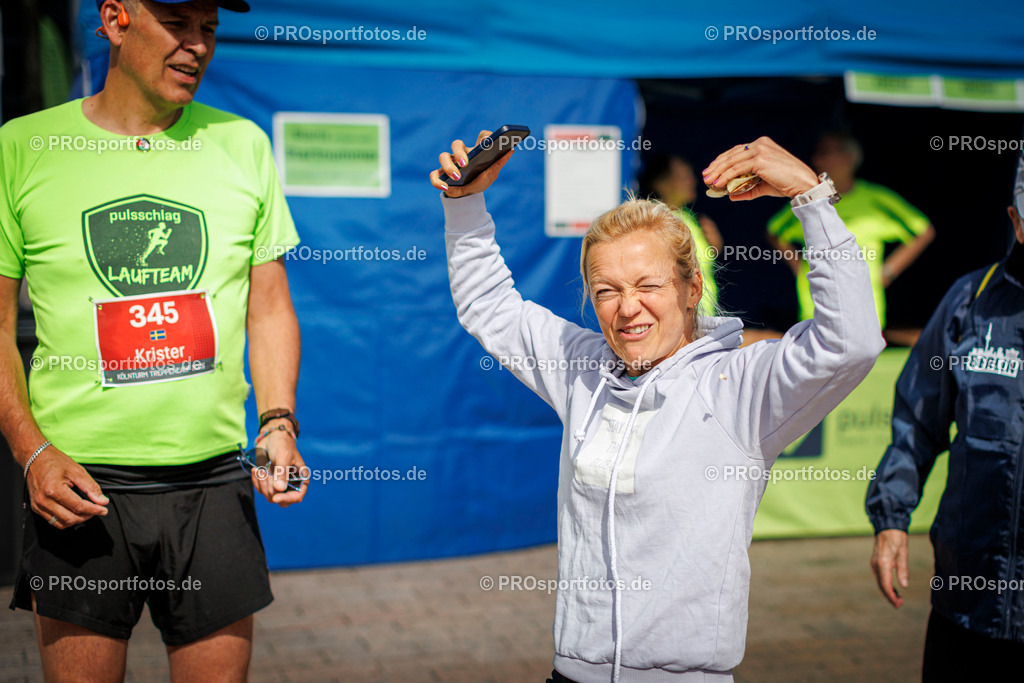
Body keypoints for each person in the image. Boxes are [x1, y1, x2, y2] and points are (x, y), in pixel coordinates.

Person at [431, 133, 884, 682]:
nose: (627, 309)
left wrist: (811, 197)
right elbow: (490, 305)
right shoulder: (583, 369)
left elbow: (851, 342)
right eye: (606, 291)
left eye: (649, 285)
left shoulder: (736, 386)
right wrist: (465, 203)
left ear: (692, 287)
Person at [0, 1, 306, 680]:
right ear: (115, 20)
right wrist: (32, 452)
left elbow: (270, 307)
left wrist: (278, 421)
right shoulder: (21, 146)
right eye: (177, 22)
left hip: (215, 482)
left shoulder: (243, 143)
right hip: (79, 483)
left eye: (209, 28)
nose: (196, 44)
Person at [865, 156, 1024, 680]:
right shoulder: (970, 302)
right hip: (965, 598)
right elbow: (917, 419)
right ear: (1015, 220)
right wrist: (891, 520)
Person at [766, 131, 935, 340]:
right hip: (816, 301)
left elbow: (923, 231)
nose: (817, 160)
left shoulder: (877, 199)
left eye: (825, 153)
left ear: (848, 157)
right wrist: (799, 267)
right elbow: (774, 231)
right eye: (817, 153)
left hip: (863, 302)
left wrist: (888, 271)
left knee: (860, 360)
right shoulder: (808, 201)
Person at [640, 155, 723, 315]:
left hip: (703, 316)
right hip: (679, 318)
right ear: (660, 184)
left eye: (690, 176)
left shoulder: (690, 218)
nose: (692, 181)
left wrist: (713, 248)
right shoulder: (652, 220)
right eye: (683, 177)